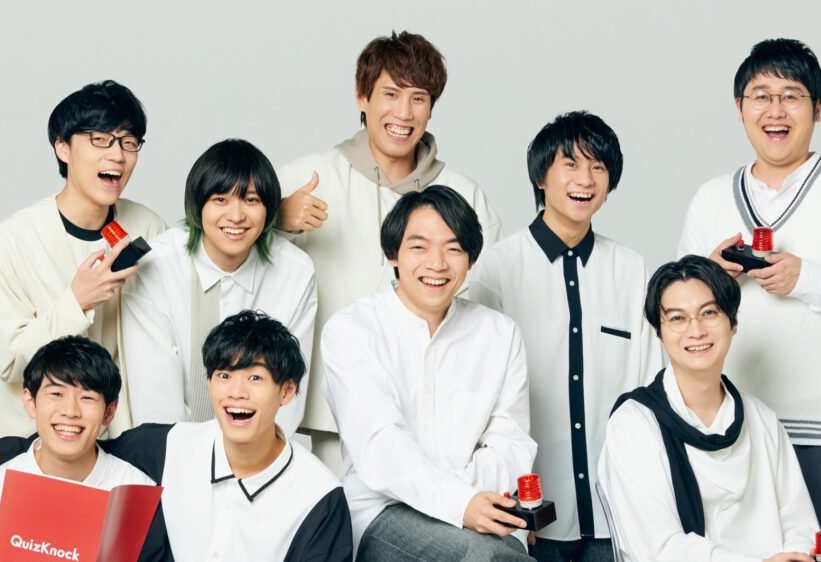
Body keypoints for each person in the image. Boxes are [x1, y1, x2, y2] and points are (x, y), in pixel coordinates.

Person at [677, 38, 821, 558]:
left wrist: (808, 279)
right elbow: (676, 312)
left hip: (815, 430)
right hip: (721, 424)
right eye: (761, 96)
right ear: (739, 108)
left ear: (817, 108)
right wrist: (711, 276)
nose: (775, 110)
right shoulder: (710, 197)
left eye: (791, 96)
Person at [276, 31, 503, 466]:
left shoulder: (465, 195)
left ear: (432, 108)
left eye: (419, 98)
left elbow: (487, 311)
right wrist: (275, 219)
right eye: (391, 94)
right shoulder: (310, 178)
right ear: (362, 97)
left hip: (440, 420)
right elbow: (228, 251)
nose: (403, 112)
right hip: (336, 420)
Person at [0, 311, 352, 561]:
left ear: (287, 391)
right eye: (224, 375)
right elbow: (75, 442)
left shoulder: (318, 497)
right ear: (209, 383)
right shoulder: (165, 448)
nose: (237, 393)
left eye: (255, 378)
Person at [470, 111, 661, 561]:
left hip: (615, 513)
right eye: (571, 164)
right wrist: (500, 496)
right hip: (529, 513)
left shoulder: (632, 271)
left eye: (598, 167)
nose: (585, 179)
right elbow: (478, 399)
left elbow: (651, 390)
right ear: (541, 176)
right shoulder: (497, 269)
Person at [322, 186, 535, 560]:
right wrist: (458, 501)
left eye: (453, 249)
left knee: (498, 552)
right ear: (393, 254)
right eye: (419, 247)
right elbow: (381, 445)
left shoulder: (500, 334)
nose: (437, 263)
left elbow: (510, 442)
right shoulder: (352, 329)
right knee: (484, 557)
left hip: (482, 506)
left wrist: (468, 500)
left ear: (470, 260)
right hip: (383, 508)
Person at [599, 255, 821, 562]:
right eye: (677, 318)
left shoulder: (761, 419)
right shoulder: (635, 424)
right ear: (659, 333)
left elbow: (800, 526)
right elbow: (657, 549)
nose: (696, 330)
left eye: (709, 312)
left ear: (733, 323)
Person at [0, 80, 167, 442]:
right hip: (29, 443)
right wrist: (77, 301)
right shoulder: (4, 244)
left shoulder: (148, 227)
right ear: (63, 147)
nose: (117, 155)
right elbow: (12, 362)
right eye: (100, 139)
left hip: (118, 441)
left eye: (128, 142)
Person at [122, 138, 316, 435]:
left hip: (259, 450)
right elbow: (153, 393)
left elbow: (287, 392)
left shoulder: (295, 272)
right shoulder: (157, 265)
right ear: (198, 206)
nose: (236, 216)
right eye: (220, 200)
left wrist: (256, 458)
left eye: (251, 200)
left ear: (269, 210)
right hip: (169, 448)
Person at [0, 336, 169, 561]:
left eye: (87, 397)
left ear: (109, 412)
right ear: (31, 403)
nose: (70, 411)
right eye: (56, 394)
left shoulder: (136, 495)